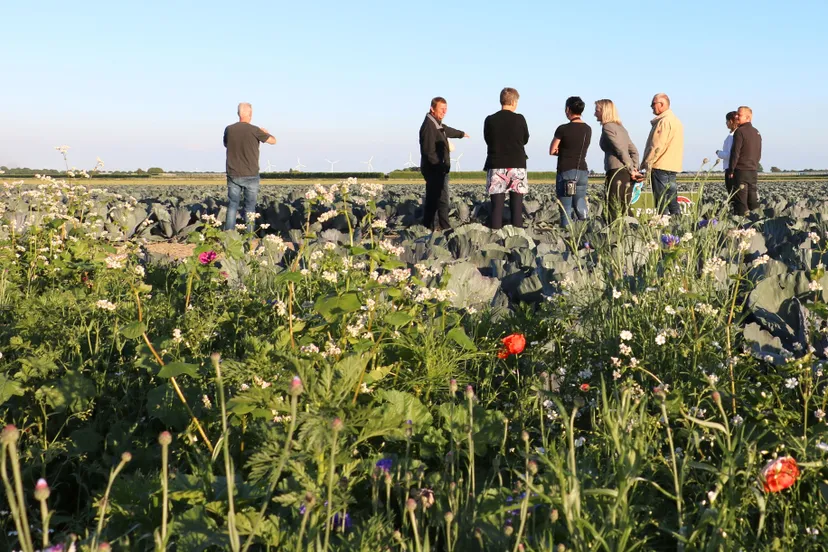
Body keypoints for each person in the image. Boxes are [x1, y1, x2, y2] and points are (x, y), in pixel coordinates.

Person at [223, 102, 276, 231]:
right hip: (251, 174)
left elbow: (226, 144)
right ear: (250, 114)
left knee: (232, 205)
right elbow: (273, 141)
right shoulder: (255, 130)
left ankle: (229, 234)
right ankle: (249, 235)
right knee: (250, 208)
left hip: (233, 173)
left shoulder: (229, 129)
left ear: (238, 114)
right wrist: (266, 133)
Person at [418, 97, 469, 231]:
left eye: (445, 109)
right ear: (432, 109)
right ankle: (442, 228)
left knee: (435, 200)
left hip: (438, 169)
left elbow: (447, 130)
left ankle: (432, 227)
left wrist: (461, 134)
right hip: (434, 169)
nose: (444, 112)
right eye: (441, 109)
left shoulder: (436, 123)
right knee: (440, 200)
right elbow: (428, 151)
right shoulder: (429, 126)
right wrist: (440, 166)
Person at [483, 87, 530, 230]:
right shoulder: (520, 118)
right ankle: (518, 239)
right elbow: (525, 139)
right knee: (516, 207)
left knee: (496, 208)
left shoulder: (490, 120)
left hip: (497, 164)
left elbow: (488, 139)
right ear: (514, 102)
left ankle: (496, 236)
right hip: (517, 165)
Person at [594, 99, 640, 221]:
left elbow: (620, 150)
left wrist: (632, 169)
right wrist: (635, 168)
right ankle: (632, 230)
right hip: (626, 173)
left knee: (614, 207)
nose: (595, 114)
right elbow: (633, 151)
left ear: (604, 111)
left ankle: (619, 233)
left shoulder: (607, 127)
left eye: (597, 110)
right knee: (624, 205)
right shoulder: (621, 128)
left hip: (616, 172)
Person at [550, 96, 591, 227]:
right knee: (580, 204)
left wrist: (563, 151)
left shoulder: (562, 129)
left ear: (568, 109)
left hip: (566, 171)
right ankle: (586, 235)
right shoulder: (588, 129)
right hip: (582, 171)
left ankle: (567, 237)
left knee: (566, 209)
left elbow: (552, 150)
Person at [641, 93, 684, 215]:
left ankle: (663, 228)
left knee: (661, 203)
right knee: (673, 202)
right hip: (672, 166)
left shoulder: (663, 122)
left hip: (660, 166)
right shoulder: (676, 121)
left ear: (662, 104)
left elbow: (656, 146)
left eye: (653, 104)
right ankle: (677, 227)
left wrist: (646, 164)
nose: (651, 107)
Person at [728, 106, 762, 216]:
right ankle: (757, 222)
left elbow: (735, 153)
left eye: (739, 115)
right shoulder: (756, 132)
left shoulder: (740, 132)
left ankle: (742, 224)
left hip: (741, 171)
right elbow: (758, 152)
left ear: (748, 117)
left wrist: (731, 170)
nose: (737, 116)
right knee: (752, 200)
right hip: (753, 171)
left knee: (741, 202)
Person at [716, 111, 739, 206]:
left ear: (730, 121)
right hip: (735, 167)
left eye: (726, 121)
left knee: (732, 193)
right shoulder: (737, 134)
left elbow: (729, 154)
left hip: (730, 168)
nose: (726, 123)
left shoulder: (732, 136)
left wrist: (718, 153)